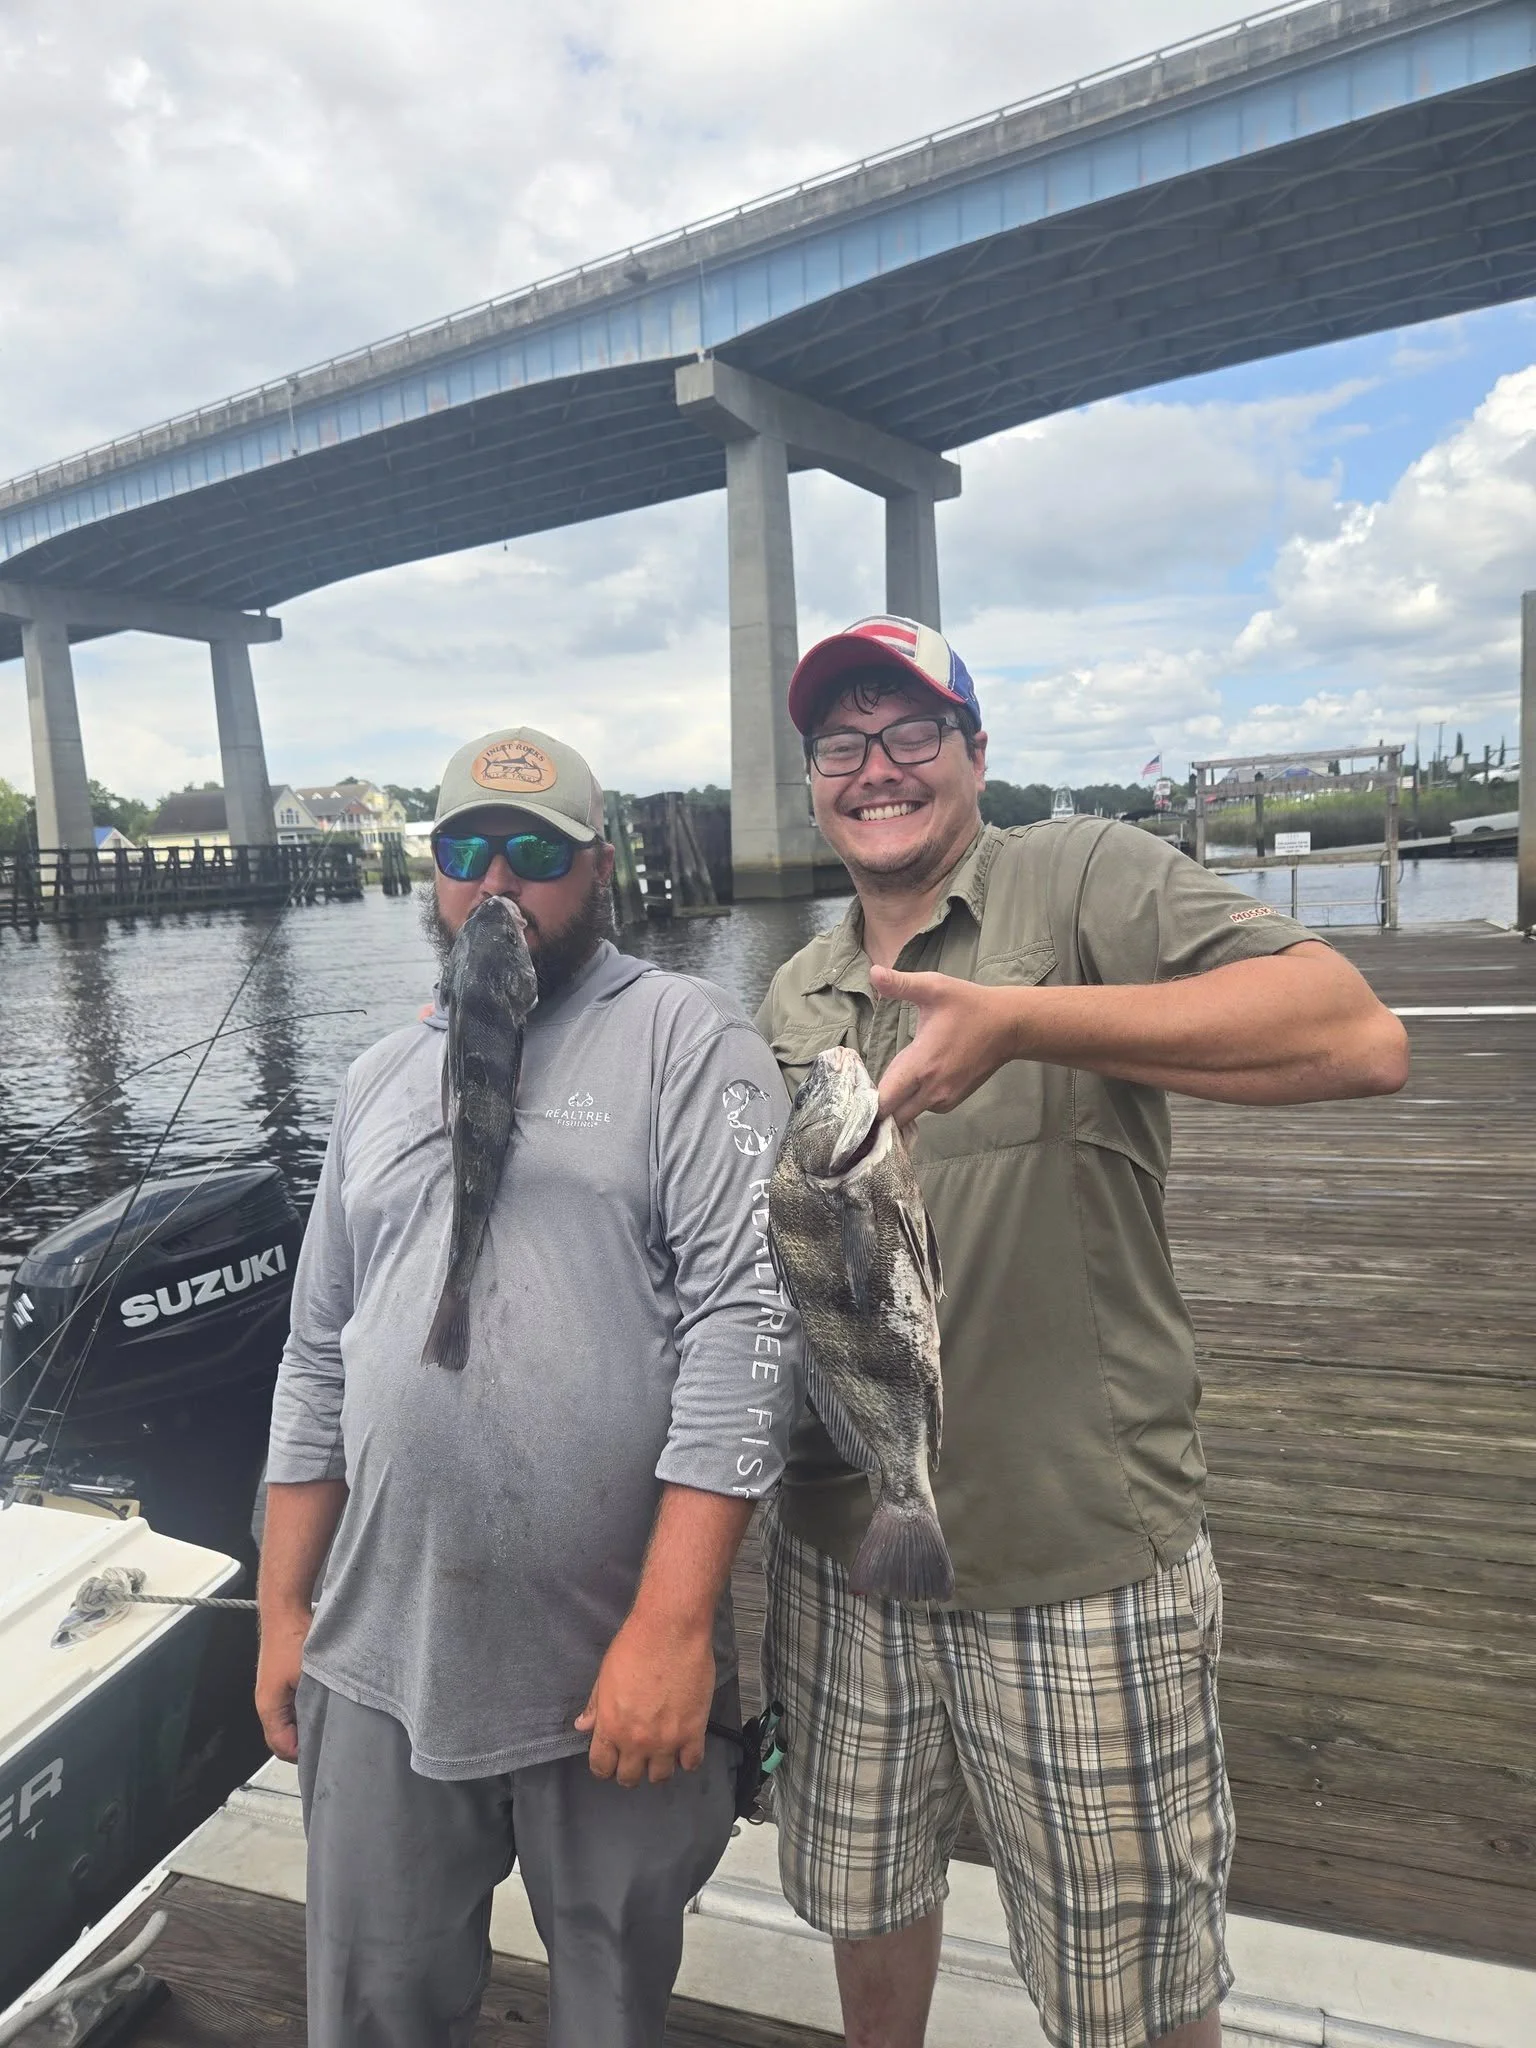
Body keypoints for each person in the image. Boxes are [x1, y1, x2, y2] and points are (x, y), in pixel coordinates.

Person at [756, 618, 1409, 2048]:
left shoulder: (1084, 873)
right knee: (866, 1895)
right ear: (814, 786)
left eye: (913, 732)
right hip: (847, 1548)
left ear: (979, 754)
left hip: (1078, 1558)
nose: (878, 769)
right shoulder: (797, 997)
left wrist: (1031, 1023)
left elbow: (1356, 1033)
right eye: (843, 745)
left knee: (1134, 1975)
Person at [256, 724, 800, 2048]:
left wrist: (673, 1630)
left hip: (607, 1657)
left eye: (537, 852)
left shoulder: (684, 1034)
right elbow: (317, 1349)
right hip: (382, 1657)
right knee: (375, 2008)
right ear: (432, 877)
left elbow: (751, 1316)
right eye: (467, 850)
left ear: (597, 868)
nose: (500, 880)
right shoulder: (378, 1078)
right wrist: (281, 1609)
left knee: (609, 2006)